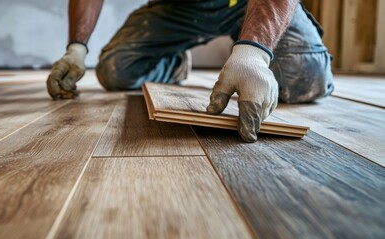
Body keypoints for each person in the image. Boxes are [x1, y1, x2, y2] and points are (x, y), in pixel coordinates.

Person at [46, 0, 334, 142]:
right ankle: (177, 62)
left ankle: (248, 40)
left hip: (247, 4)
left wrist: (253, 53)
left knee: (306, 77)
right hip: (179, 9)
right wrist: (77, 49)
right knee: (116, 70)